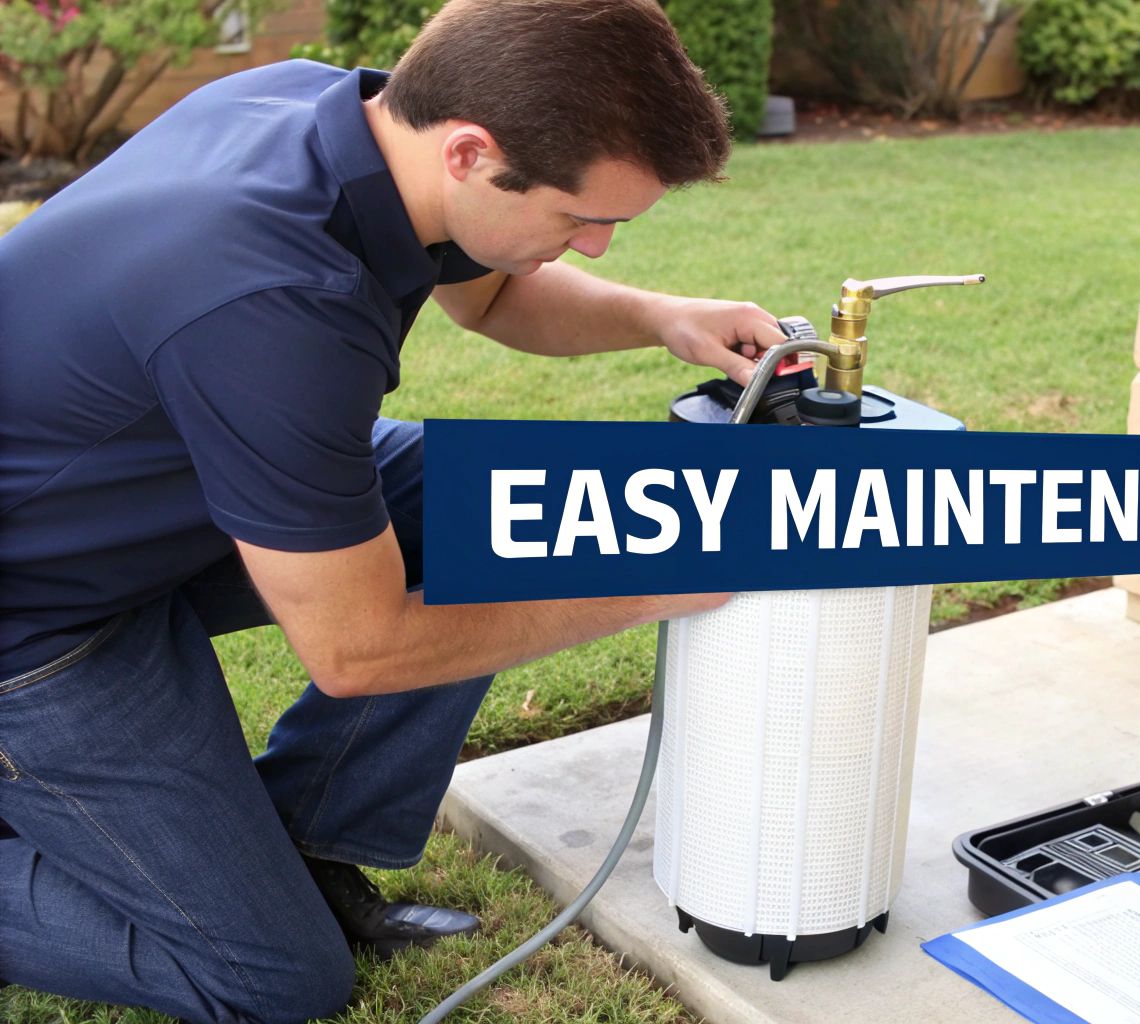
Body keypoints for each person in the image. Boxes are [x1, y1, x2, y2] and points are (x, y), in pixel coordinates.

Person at [0, 0, 779, 1018]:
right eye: (580, 217)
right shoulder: (275, 298)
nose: (593, 247)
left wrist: (663, 317)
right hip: (38, 616)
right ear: (470, 152)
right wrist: (639, 587)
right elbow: (359, 649)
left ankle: (308, 842)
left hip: (169, 493)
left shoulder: (333, 113)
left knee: (509, 508)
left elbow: (491, 294)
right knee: (277, 977)